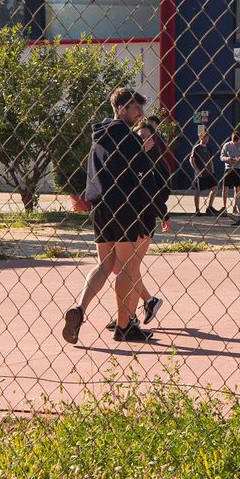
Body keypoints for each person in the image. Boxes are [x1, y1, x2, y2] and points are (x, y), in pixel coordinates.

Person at [65, 86, 160, 345]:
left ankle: (80, 309)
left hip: (102, 209)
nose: (139, 112)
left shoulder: (100, 137)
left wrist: (89, 199)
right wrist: (142, 150)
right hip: (125, 207)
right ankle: (125, 325)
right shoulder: (127, 138)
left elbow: (94, 172)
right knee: (129, 268)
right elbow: (138, 174)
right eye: (135, 107)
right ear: (121, 109)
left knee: (105, 264)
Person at [105, 120, 172, 331]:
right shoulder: (127, 159)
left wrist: (162, 213)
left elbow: (160, 193)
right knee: (117, 266)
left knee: (129, 268)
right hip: (124, 217)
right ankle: (148, 301)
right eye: (139, 136)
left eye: (147, 137)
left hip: (144, 219)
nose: (143, 140)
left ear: (154, 140)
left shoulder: (158, 165)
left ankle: (128, 317)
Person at [219, 129, 240, 221]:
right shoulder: (227, 145)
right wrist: (227, 158)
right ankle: (224, 207)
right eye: (233, 141)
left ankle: (235, 206)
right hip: (228, 168)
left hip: (238, 168)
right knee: (225, 187)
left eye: (236, 141)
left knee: (237, 188)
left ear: (239, 139)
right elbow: (221, 156)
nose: (235, 143)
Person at [188, 130, 215, 216]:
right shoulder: (196, 148)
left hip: (209, 173)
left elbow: (211, 161)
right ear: (200, 137)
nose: (206, 138)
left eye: (207, 137)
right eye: (204, 136)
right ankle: (197, 210)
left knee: (214, 188)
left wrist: (213, 171)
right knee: (198, 191)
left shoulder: (208, 148)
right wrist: (197, 170)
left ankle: (210, 207)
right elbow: (191, 160)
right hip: (200, 173)